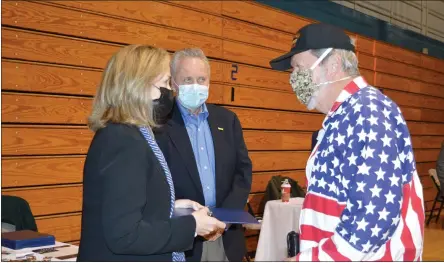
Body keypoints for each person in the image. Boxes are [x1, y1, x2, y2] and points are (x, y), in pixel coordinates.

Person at [269, 23, 425, 261]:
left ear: (332, 66)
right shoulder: (344, 115)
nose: (293, 79)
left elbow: (372, 217)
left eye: (298, 68)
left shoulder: (368, 112)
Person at [78, 45, 226, 262]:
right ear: (138, 85)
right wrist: (193, 225)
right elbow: (125, 235)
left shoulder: (129, 135)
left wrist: (171, 206)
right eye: (166, 83)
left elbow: (124, 206)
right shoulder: (124, 141)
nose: (170, 92)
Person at [154, 48, 253, 262]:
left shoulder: (227, 120)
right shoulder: (158, 124)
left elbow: (242, 173)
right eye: (187, 79)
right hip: (183, 239)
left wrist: (225, 219)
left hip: (226, 237)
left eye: (201, 79)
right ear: (173, 84)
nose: (196, 85)